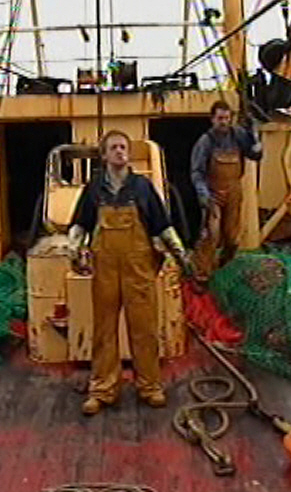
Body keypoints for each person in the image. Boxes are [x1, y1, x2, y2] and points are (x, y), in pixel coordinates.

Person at [67, 130, 192, 416]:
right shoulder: (94, 189)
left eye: (123, 147)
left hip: (139, 269)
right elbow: (80, 225)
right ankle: (102, 390)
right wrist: (73, 251)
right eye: (113, 147)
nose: (120, 151)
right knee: (104, 331)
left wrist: (181, 254)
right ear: (104, 155)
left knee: (145, 329)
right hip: (105, 269)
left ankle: (150, 387)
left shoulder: (143, 187)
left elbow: (162, 225)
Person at [190, 100, 263, 281]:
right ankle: (201, 274)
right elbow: (196, 172)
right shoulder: (205, 141)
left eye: (227, 118)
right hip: (213, 194)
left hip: (234, 192)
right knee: (211, 235)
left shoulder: (238, 135)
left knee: (232, 237)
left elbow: (255, 155)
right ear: (212, 119)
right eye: (220, 118)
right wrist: (204, 195)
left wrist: (255, 135)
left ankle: (224, 267)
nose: (223, 122)